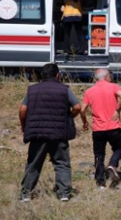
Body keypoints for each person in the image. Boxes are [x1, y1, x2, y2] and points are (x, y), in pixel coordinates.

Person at [19, 63, 81, 201]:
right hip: (59, 133)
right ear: (57, 75)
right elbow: (77, 107)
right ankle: (64, 193)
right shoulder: (64, 89)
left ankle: (26, 194)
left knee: (34, 163)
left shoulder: (33, 90)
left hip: (38, 134)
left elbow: (22, 110)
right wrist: (69, 117)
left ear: (42, 75)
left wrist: (24, 125)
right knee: (62, 162)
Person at [80, 69, 121, 189]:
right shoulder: (113, 87)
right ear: (106, 76)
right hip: (113, 126)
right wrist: (117, 110)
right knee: (119, 147)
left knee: (99, 155)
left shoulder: (89, 91)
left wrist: (85, 122)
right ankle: (112, 164)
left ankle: (100, 183)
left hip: (98, 129)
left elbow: (82, 109)